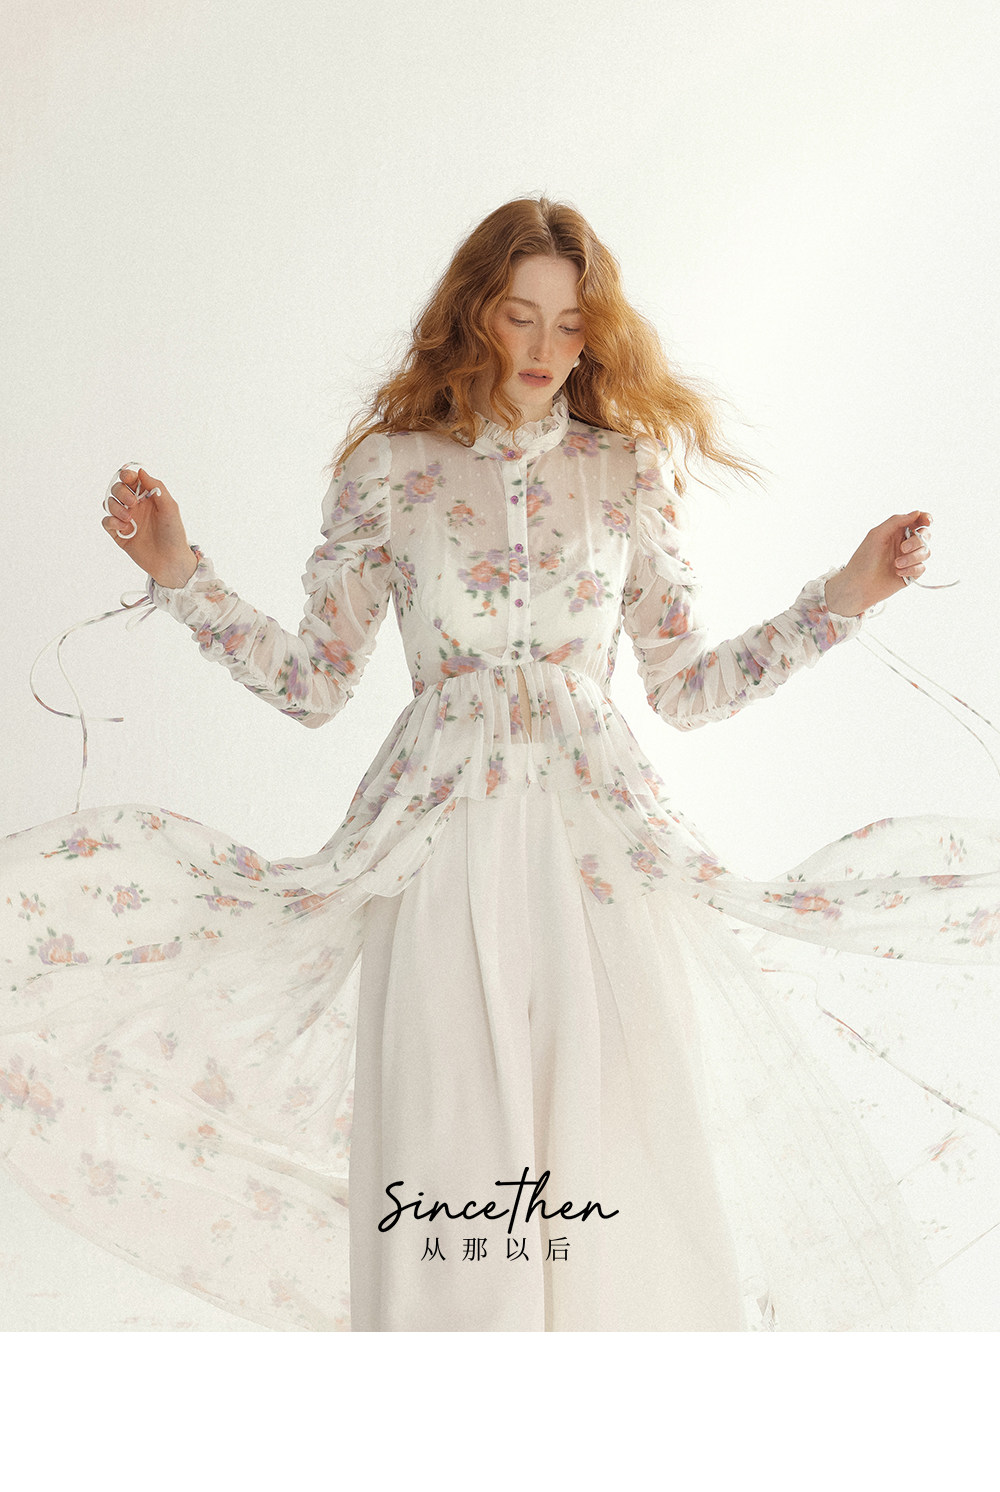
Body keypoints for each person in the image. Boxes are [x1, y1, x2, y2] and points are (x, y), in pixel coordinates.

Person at [3, 196, 999, 1332]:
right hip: (437, 852)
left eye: (569, 325)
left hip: (602, 857)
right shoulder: (391, 469)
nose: (542, 348)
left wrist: (846, 595)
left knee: (620, 1164)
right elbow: (312, 682)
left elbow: (688, 686)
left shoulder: (625, 471)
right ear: (473, 313)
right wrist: (182, 575)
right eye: (519, 316)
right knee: (453, 1165)